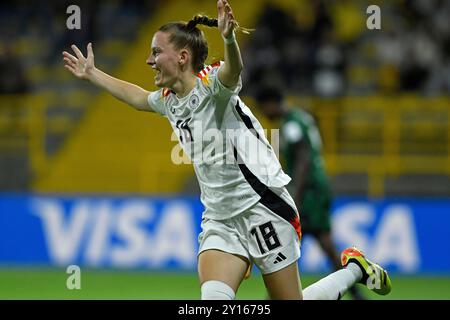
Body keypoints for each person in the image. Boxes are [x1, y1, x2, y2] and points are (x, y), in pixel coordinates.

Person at [62, 0, 391, 300]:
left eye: (155, 52)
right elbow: (135, 97)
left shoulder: (213, 88)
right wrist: (93, 74)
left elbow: (232, 72)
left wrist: (230, 40)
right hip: (220, 219)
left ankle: (354, 270)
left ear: (182, 57)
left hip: (264, 208)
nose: (149, 60)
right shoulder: (169, 101)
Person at [256, 86, 367, 299]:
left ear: (271, 103)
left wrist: (294, 196)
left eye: (263, 107)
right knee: (320, 242)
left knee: (285, 243)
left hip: (309, 192)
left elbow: (303, 157)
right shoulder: (300, 118)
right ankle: (356, 289)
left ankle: (275, 296)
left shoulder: (291, 126)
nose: (264, 113)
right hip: (317, 188)